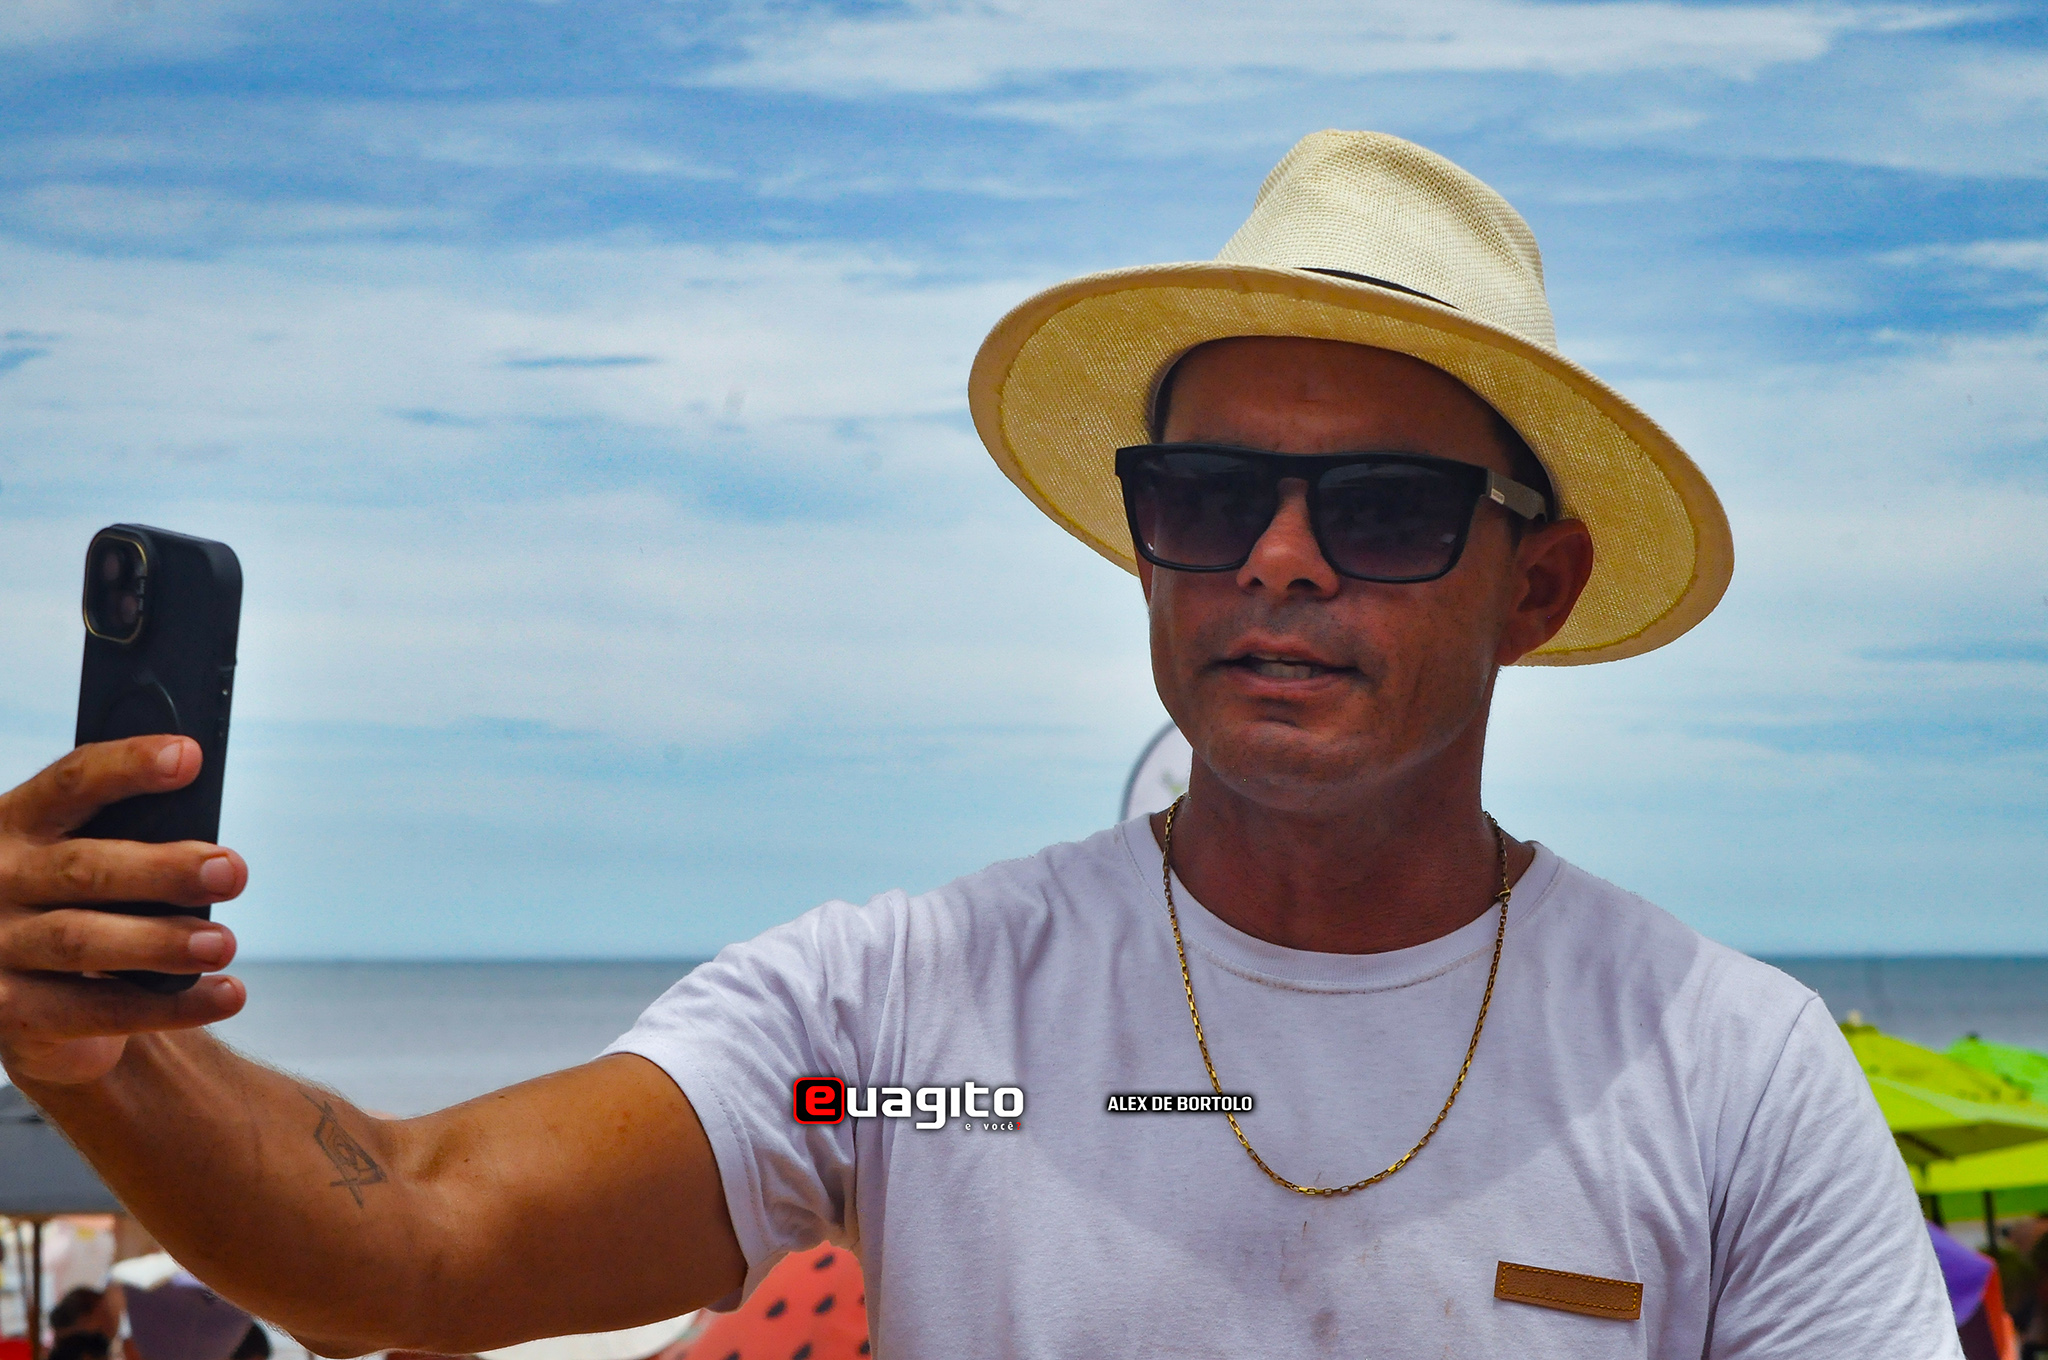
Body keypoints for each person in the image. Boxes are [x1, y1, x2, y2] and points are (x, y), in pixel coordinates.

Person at [0, 130, 1960, 1357]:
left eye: (1381, 509)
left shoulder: (1726, 1075)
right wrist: (101, 1049)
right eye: (1208, 495)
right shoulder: (910, 1038)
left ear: (1536, 585)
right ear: (1143, 539)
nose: (1277, 559)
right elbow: (417, 1234)